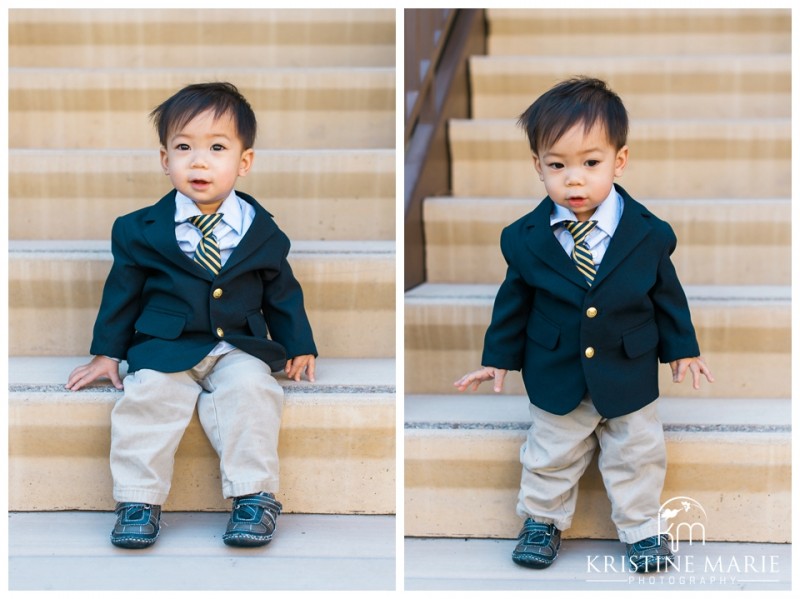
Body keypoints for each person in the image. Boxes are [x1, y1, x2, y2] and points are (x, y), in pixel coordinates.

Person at [454, 77, 713, 573]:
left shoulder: (649, 234)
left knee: (637, 453)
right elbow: (514, 302)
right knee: (549, 452)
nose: (574, 180)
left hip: (628, 367)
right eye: (557, 166)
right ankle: (541, 521)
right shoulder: (524, 238)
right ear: (538, 166)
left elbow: (667, 296)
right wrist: (498, 358)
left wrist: (683, 348)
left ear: (620, 160)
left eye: (590, 164)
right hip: (556, 367)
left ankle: (641, 530)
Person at [66, 81, 317, 549]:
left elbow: (282, 292)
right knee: (147, 399)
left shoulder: (261, 231)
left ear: (244, 162)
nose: (199, 161)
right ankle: (138, 500)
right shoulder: (138, 230)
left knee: (254, 391)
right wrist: (106, 354)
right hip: (165, 345)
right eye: (184, 147)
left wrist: (299, 343)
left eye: (217, 147)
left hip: (237, 344)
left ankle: (253, 496)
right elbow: (121, 293)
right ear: (165, 160)